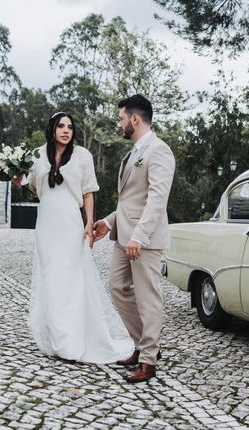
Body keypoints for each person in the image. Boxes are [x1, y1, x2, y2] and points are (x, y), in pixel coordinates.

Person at [28, 112, 133, 363]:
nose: (66, 130)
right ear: (52, 129)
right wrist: (15, 176)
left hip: (70, 221)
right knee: (50, 276)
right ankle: (56, 337)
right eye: (61, 126)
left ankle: (72, 341)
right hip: (46, 222)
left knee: (71, 277)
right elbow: (34, 188)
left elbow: (88, 193)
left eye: (70, 127)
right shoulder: (38, 155)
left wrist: (89, 222)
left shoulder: (82, 156)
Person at [93, 94, 176, 383]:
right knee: (117, 287)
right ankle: (143, 345)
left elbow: (156, 200)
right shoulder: (134, 152)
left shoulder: (159, 151)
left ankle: (149, 360)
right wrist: (106, 221)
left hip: (144, 240)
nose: (119, 123)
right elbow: (131, 201)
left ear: (135, 119)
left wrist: (139, 236)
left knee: (148, 298)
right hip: (123, 236)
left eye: (121, 118)